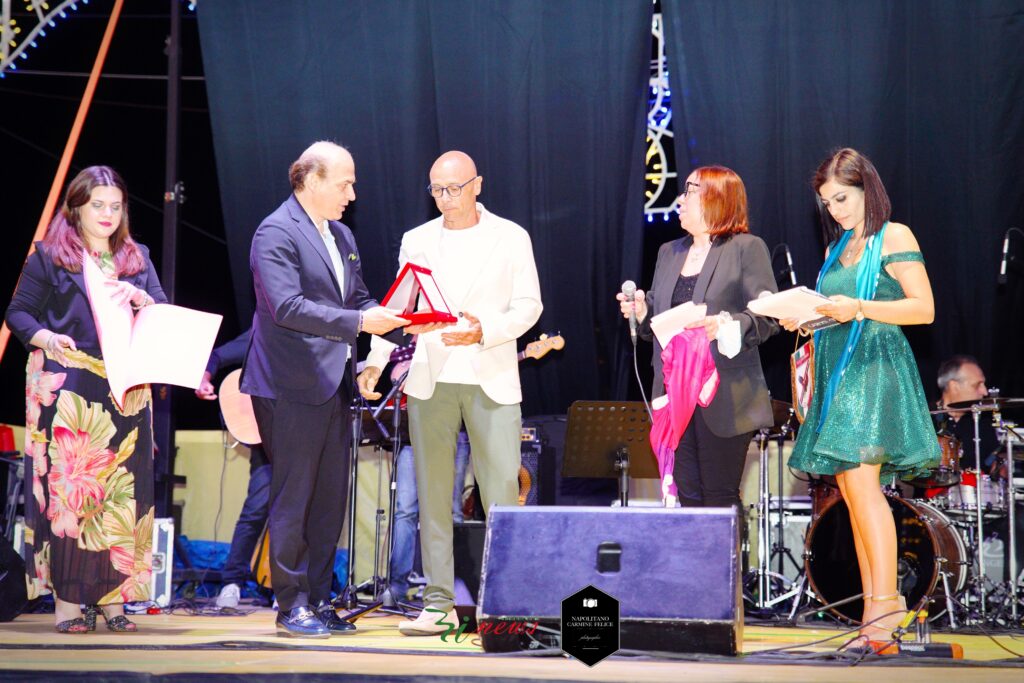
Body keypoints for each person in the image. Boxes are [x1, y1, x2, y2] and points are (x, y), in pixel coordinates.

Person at [358, 150, 543, 635]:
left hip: (491, 376)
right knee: (434, 494)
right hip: (431, 378)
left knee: (500, 490)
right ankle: (438, 601)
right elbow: (398, 305)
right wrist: (376, 360)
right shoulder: (418, 239)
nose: (446, 199)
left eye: (455, 188)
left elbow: (530, 306)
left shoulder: (510, 236)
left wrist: (485, 330)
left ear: (477, 184)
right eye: (437, 189)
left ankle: (508, 602)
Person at [241, 141, 411, 638]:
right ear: (311, 180)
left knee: (329, 500)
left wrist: (400, 322)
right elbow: (287, 307)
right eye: (345, 183)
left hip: (335, 383)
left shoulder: (339, 234)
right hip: (288, 385)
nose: (352, 194)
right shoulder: (275, 231)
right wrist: (362, 320)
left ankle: (318, 600)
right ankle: (289, 604)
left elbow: (357, 298)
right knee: (294, 497)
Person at [785, 148, 939, 645]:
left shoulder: (894, 236)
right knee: (852, 494)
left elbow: (924, 309)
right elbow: (838, 309)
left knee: (867, 492)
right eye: (828, 202)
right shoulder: (839, 247)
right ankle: (883, 607)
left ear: (866, 188)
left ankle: (882, 610)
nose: (836, 210)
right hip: (839, 370)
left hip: (874, 370)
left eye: (843, 198)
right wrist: (806, 317)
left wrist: (859, 307)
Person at [6, 166, 167, 632]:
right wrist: (46, 337)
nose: (107, 214)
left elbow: (161, 312)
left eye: (115, 206)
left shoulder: (137, 258)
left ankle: (115, 602)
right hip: (69, 386)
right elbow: (18, 313)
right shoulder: (49, 257)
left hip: (125, 391)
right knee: (72, 500)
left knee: (120, 497)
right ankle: (70, 604)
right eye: (97, 204)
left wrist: (141, 298)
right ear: (76, 207)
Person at [617, 166, 779, 509]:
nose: (680, 198)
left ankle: (726, 566)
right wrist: (643, 313)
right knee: (686, 499)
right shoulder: (668, 252)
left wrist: (724, 325)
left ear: (716, 198)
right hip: (675, 393)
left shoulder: (745, 248)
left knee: (719, 497)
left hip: (723, 394)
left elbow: (768, 315)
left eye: (689, 190)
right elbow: (658, 328)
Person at [194, 327, 270, 608]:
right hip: (266, 435)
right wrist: (204, 377)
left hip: (299, 433)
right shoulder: (260, 333)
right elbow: (218, 355)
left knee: (299, 510)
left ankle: (292, 590)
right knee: (256, 508)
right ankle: (232, 582)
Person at [933, 355, 1023, 582]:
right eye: (977, 385)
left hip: (980, 502)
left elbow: (992, 463)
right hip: (933, 504)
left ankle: (1008, 593)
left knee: (1019, 519)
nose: (984, 392)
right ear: (954, 385)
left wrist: (1000, 465)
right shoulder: (926, 420)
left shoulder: (981, 424)